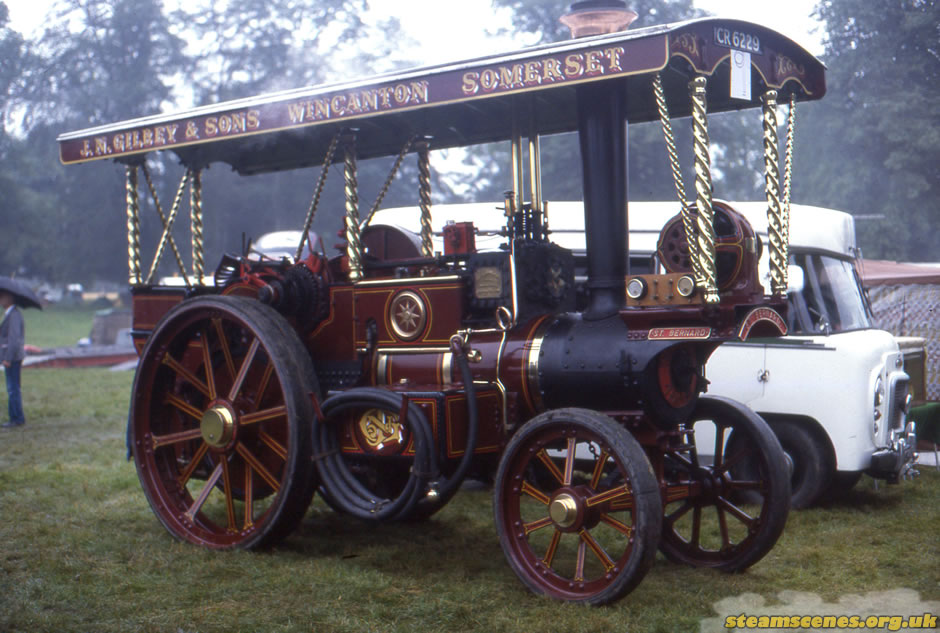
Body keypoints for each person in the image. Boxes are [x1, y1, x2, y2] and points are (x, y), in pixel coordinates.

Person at [0, 290, 26, 428]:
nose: (0, 300)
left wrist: (8, 358)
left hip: (13, 357)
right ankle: (15, 417)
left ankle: (16, 418)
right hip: (11, 356)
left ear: (10, 298)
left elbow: (14, 340)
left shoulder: (14, 315)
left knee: (13, 388)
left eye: (2, 297)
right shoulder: (9, 314)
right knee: (12, 387)